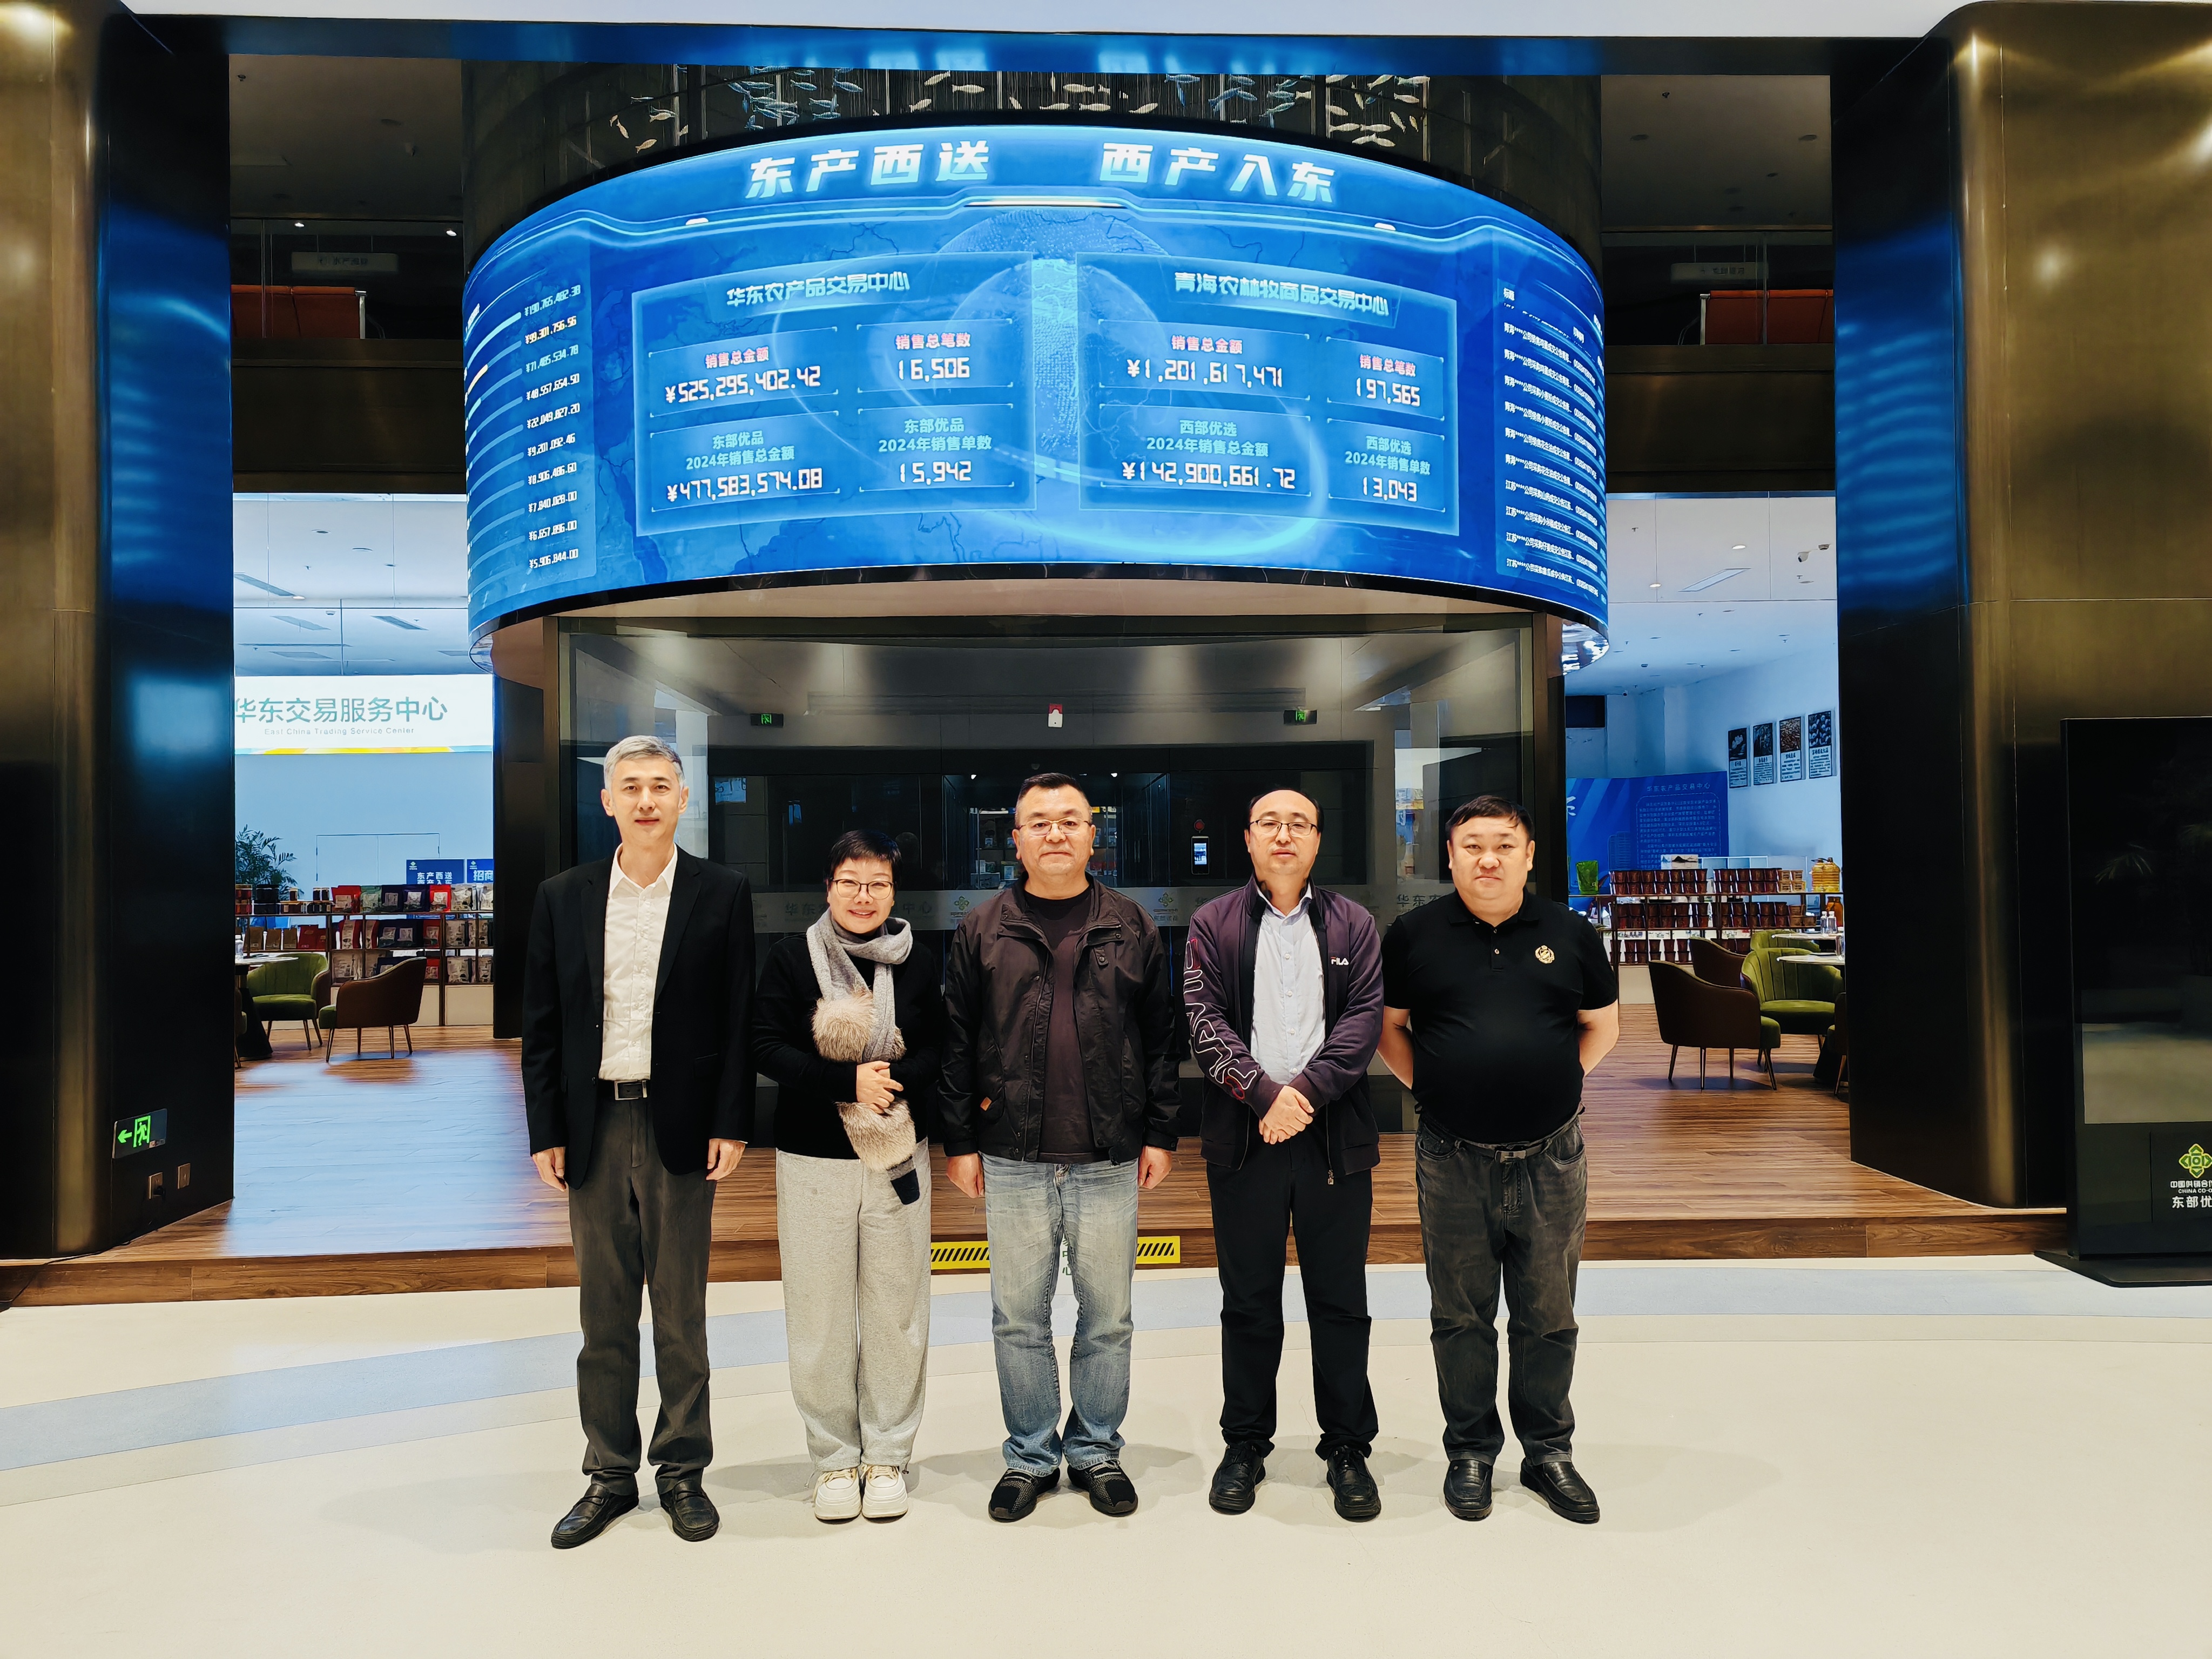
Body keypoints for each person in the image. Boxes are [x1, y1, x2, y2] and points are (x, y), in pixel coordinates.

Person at [521, 734, 756, 1549]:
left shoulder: (722, 892)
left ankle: (683, 1470)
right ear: (608, 801)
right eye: (631, 786)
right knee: (605, 1312)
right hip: (592, 1120)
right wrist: (545, 1128)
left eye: (661, 785)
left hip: (680, 1126)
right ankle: (610, 1474)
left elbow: (737, 1017)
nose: (647, 799)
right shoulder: (564, 896)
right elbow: (543, 1025)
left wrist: (731, 1120)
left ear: (683, 799)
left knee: (681, 1312)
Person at [939, 772, 1180, 1523]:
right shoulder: (982, 928)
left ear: (1092, 835)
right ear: (1015, 838)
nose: (1055, 833)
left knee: (1108, 1317)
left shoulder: (1132, 924)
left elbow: (1163, 1037)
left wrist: (1162, 1131)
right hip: (1011, 1154)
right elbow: (956, 1042)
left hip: (1110, 1153)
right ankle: (1031, 1456)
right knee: (1019, 1317)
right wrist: (959, 1140)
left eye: (1069, 820)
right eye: (1038, 822)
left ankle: (1096, 1450)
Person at [1378, 794, 1619, 1526]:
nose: (1489, 859)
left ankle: (1548, 1453)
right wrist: (1438, 1090)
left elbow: (1602, 1028)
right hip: (1451, 1157)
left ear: (1529, 855)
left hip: (1553, 1157)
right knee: (1460, 1315)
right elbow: (1389, 1030)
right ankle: (1471, 1453)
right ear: (1449, 856)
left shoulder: (1571, 933)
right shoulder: (1414, 935)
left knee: (1548, 1314)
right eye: (1473, 845)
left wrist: (1553, 1087)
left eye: (1504, 845)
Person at [1184, 789, 1386, 1521]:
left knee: (1341, 1303)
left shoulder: (1355, 923)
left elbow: (1364, 1021)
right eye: (1269, 823)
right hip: (1246, 1142)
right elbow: (1202, 1019)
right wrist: (1264, 1096)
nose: (1284, 834)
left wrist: (1302, 1095)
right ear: (1248, 838)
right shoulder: (1214, 923)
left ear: (1318, 840)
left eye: (1299, 824)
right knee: (1248, 1304)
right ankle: (1245, 1443)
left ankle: (1347, 1447)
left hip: (1334, 1142)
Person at [751, 830, 944, 1526]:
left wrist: (886, 1083)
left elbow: (941, 1047)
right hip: (813, 1160)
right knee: (819, 1312)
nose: (864, 896)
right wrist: (845, 1082)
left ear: (894, 891)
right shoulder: (790, 958)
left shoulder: (920, 959)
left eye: (878, 884)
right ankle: (834, 1460)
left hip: (898, 1155)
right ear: (829, 887)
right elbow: (765, 1046)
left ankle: (888, 1455)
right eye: (851, 883)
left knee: (897, 1309)